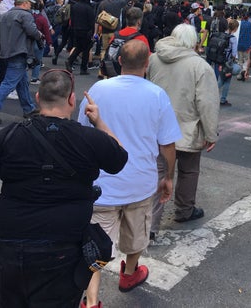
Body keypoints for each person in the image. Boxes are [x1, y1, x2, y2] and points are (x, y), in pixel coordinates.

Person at [0, 70, 128, 308]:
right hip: (61, 252)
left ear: (36, 99)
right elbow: (119, 158)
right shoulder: (90, 138)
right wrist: (99, 122)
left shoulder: (9, 136)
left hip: (9, 251)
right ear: (72, 100)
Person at [78, 39, 180, 307]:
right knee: (137, 234)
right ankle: (130, 273)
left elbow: (82, 132)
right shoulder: (157, 95)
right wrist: (168, 176)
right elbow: (168, 145)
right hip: (140, 183)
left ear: (119, 61)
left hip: (102, 185)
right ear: (147, 64)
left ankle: (91, 301)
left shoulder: (98, 89)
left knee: (95, 245)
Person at [147, 23, 219, 232]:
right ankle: (184, 209)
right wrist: (210, 132)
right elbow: (207, 103)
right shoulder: (200, 66)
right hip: (187, 127)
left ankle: (151, 225)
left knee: (159, 173)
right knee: (188, 171)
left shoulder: (154, 58)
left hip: (159, 127)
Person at [0, 0, 43, 125]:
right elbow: (32, 31)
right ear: (24, 3)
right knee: (9, 83)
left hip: (7, 52)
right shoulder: (25, 15)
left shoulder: (4, 15)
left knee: (22, 82)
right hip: (20, 52)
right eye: (29, 3)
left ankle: (29, 109)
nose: (31, 5)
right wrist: (40, 35)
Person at [65, 0, 96, 75]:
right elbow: (91, 22)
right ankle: (83, 68)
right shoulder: (89, 8)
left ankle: (70, 60)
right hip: (86, 31)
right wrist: (93, 33)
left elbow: (72, 19)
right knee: (86, 50)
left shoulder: (75, 6)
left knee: (78, 47)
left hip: (76, 30)